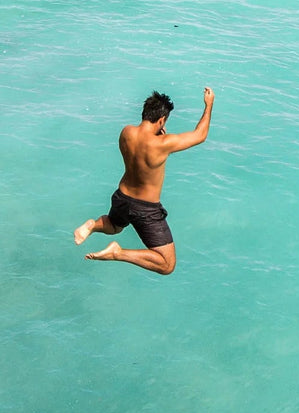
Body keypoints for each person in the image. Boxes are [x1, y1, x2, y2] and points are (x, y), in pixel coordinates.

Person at [74, 87, 215, 274]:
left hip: (121, 197)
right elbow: (200, 135)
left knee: (115, 226)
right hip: (145, 208)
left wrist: (158, 138)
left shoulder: (126, 132)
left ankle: (92, 225)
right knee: (167, 264)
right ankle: (118, 252)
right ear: (162, 120)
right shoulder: (162, 144)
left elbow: (141, 154)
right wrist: (208, 104)